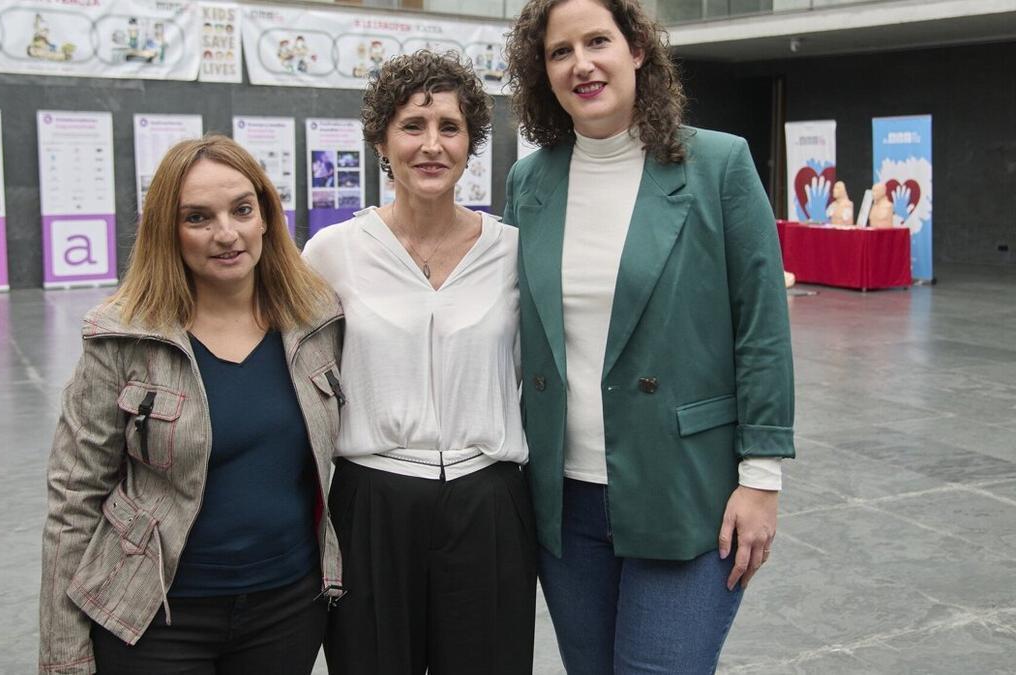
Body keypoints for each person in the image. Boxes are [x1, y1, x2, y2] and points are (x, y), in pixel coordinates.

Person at [503, 0, 796, 672]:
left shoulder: (718, 165)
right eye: (559, 51)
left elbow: (762, 327)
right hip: (565, 499)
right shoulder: (530, 182)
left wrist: (762, 477)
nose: (582, 64)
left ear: (637, 50)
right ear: (542, 71)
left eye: (598, 41)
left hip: (688, 489)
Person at [38, 135, 345, 675]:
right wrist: (65, 656)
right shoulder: (123, 336)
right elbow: (74, 497)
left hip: (288, 608)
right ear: (169, 232)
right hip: (155, 616)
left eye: (242, 210)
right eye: (198, 218)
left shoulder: (316, 322)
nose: (226, 234)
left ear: (267, 217)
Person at [302, 50, 536, 675]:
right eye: (413, 126)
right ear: (382, 139)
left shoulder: (513, 251)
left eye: (450, 128)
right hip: (372, 500)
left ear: (471, 143)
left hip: (487, 500)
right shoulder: (334, 252)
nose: (431, 145)